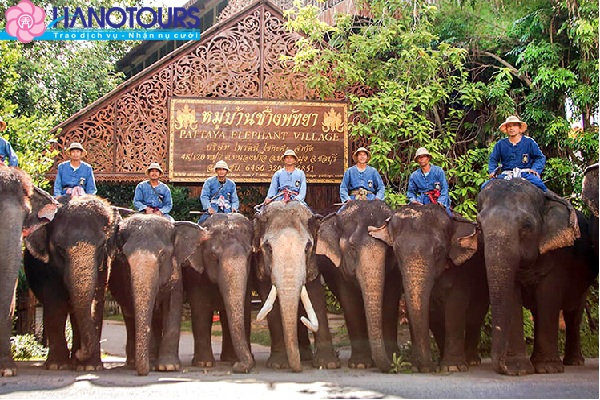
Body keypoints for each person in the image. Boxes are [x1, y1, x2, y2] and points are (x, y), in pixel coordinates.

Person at [484, 115, 547, 192]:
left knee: (541, 187)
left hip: (525, 174)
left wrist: (535, 169)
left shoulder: (529, 142)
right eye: (509, 126)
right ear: (506, 129)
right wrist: (493, 171)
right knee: (485, 187)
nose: (511, 128)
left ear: (519, 128)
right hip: (506, 175)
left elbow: (540, 157)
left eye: (514, 125)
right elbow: (493, 159)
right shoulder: (500, 144)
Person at [406, 147, 451, 215]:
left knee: (448, 217)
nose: (421, 159)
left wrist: (440, 201)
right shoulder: (414, 176)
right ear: (417, 160)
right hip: (422, 201)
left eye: (423, 157)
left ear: (428, 158)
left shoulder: (438, 171)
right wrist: (414, 201)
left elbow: (444, 188)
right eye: (419, 157)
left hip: (437, 198)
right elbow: (411, 192)